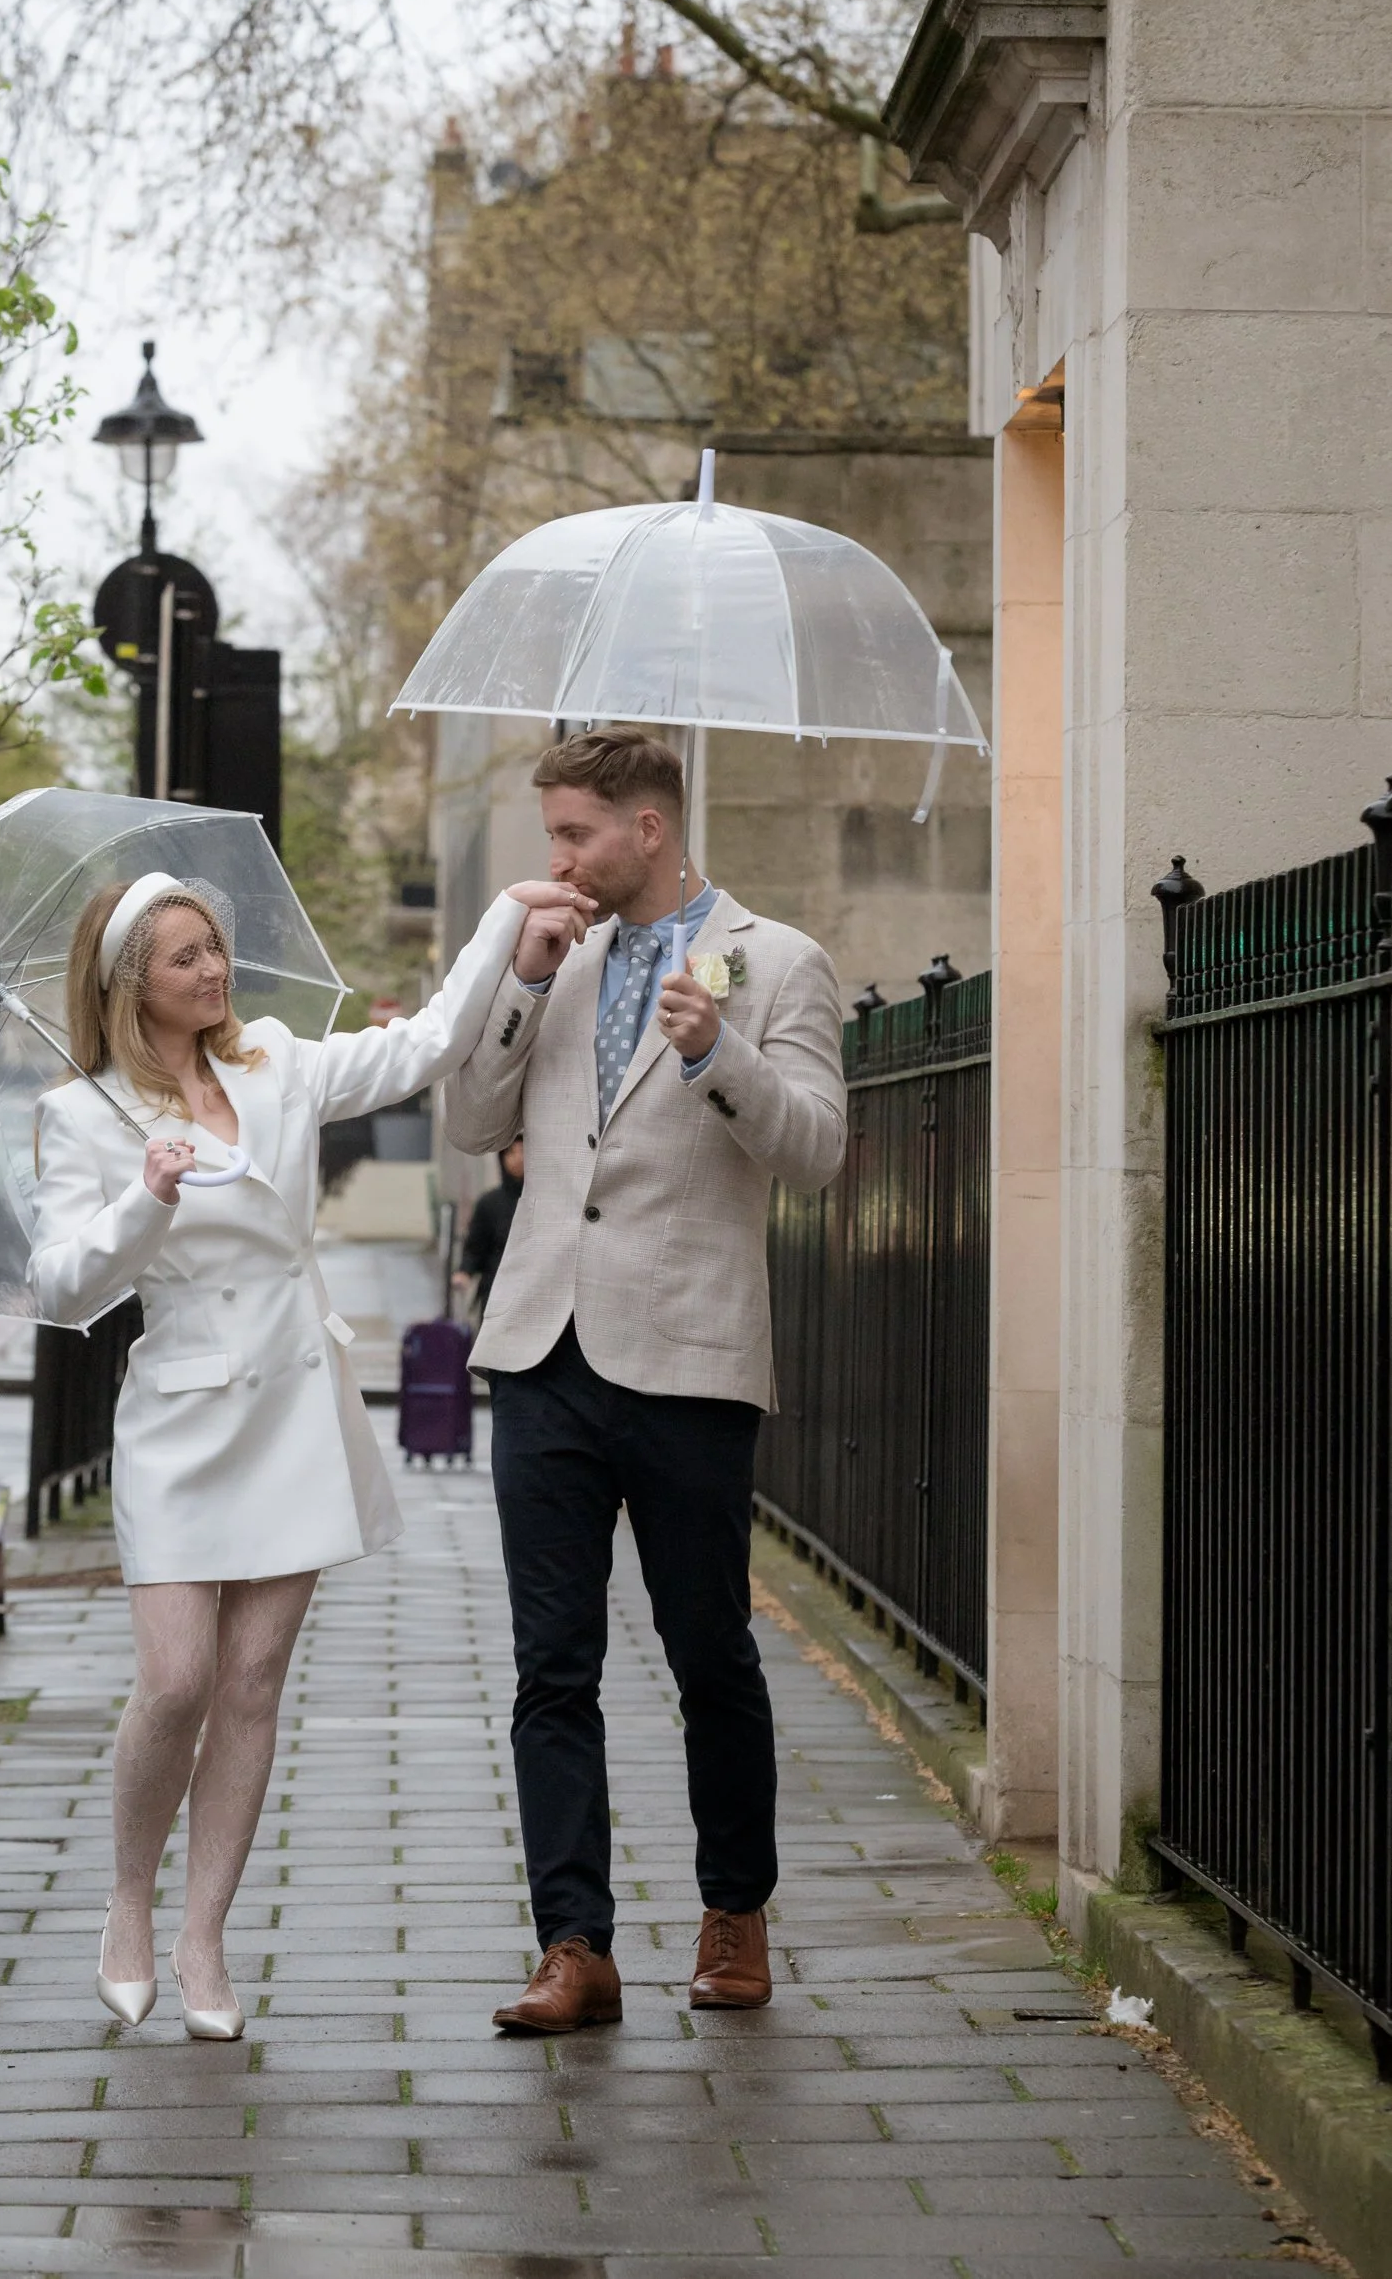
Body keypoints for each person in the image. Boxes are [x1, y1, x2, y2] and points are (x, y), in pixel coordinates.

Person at [28, 866, 588, 2041]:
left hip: (293, 1406)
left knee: (250, 1684)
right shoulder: (82, 1113)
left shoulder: (274, 1059)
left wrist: (505, 912)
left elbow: (428, 1044)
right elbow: (61, 1283)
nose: (213, 968)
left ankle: (202, 1936)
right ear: (133, 980)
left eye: (215, 946)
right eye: (184, 956)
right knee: (175, 1677)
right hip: (180, 1417)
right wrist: (146, 1199)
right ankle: (127, 1903)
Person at [444, 724, 847, 2036]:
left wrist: (714, 1054)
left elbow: (819, 1154)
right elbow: (467, 1118)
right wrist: (516, 976)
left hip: (687, 1359)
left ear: (648, 827)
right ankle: (575, 1944)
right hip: (542, 1355)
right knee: (548, 1665)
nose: (553, 857)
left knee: (706, 1651)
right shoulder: (552, 954)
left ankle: (735, 1910)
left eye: (572, 833)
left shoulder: (772, 960)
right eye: (551, 833)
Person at [453, 1137, 523, 1317]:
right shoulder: (490, 1203)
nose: (518, 1159)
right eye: (511, 1153)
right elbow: (475, 1246)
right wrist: (465, 1272)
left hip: (533, 1292)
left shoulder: (545, 1202)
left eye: (523, 1152)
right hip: (496, 1291)